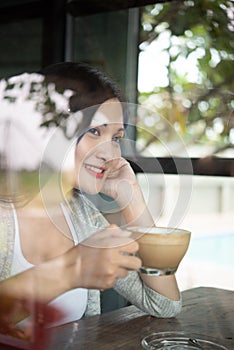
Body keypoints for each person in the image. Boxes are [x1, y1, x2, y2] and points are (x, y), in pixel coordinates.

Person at [0, 62, 181, 333]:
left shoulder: (83, 216)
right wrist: (70, 270)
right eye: (95, 131)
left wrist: (132, 201)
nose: (110, 154)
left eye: (116, 138)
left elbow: (164, 304)